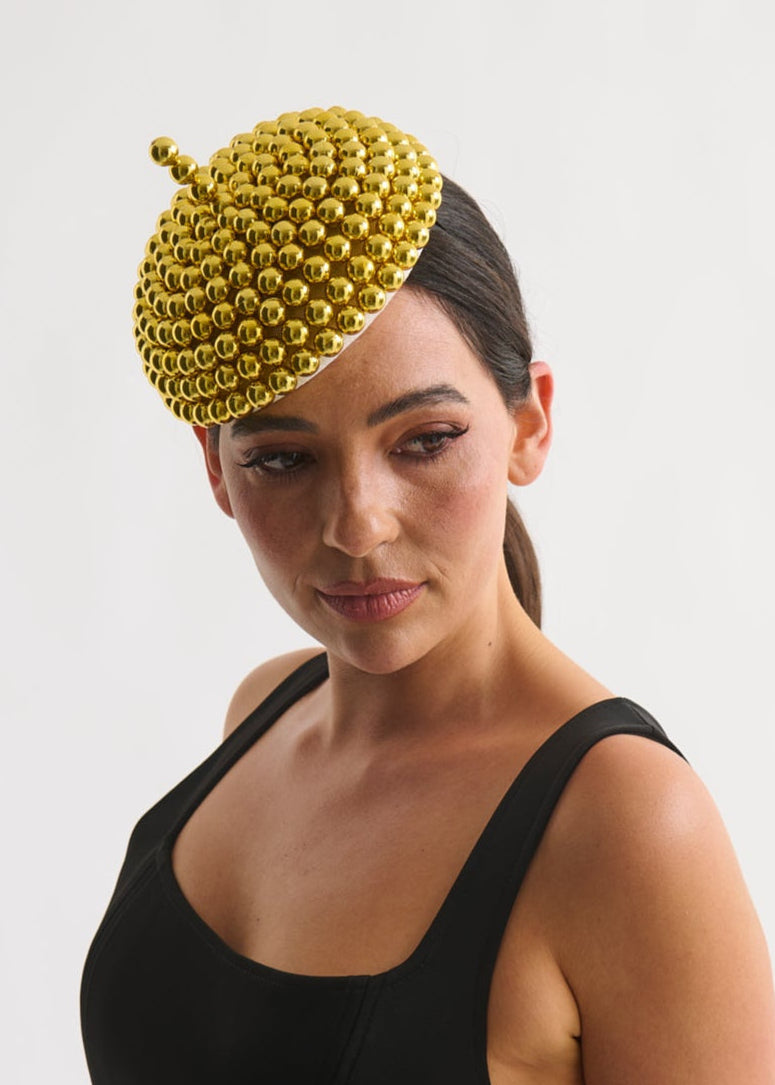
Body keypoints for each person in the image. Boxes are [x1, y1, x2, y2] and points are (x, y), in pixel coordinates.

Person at [81, 107, 775, 1084]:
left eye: (424, 439)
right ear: (216, 470)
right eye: (283, 458)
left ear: (528, 421)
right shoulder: (262, 712)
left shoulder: (626, 823)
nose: (357, 525)